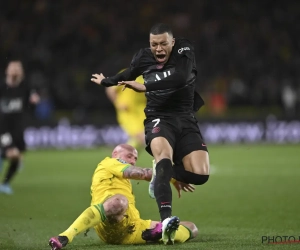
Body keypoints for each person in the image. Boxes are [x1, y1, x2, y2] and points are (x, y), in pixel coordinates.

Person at [91, 23, 210, 224]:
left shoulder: (184, 50)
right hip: (158, 117)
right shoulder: (143, 56)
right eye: (154, 44)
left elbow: (180, 78)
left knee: (200, 175)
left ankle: (159, 172)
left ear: (172, 42)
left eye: (163, 43)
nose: (158, 49)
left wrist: (146, 86)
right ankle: (166, 222)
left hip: (185, 117)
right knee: (164, 158)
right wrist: (107, 81)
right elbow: (128, 73)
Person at [48, 144, 198, 249]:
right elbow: (143, 173)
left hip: (132, 229)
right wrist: (170, 175)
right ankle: (65, 236)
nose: (132, 160)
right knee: (120, 201)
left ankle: (159, 232)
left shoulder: (123, 179)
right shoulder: (109, 163)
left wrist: (171, 179)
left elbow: (144, 174)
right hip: (108, 223)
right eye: (129, 156)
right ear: (115, 154)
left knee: (192, 227)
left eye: (135, 159)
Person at [0, 60, 40, 194]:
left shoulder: (25, 88)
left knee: (17, 157)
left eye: (18, 68)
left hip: (17, 129)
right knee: (12, 153)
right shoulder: (1, 87)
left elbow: (31, 108)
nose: (15, 70)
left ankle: (5, 184)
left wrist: (34, 102)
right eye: (13, 68)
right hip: (3, 129)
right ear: (7, 70)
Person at [105, 70, 146, 149]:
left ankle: (121, 156)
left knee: (139, 139)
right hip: (128, 113)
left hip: (143, 112)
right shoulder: (128, 74)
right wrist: (118, 103)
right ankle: (160, 158)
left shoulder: (150, 76)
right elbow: (110, 89)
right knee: (142, 136)